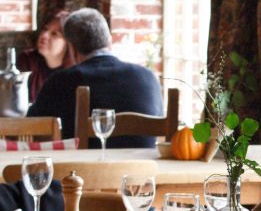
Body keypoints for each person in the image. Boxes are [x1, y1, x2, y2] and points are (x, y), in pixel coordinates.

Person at [26, 8, 163, 148]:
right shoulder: (148, 77)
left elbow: (30, 127)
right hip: (145, 168)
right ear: (109, 41)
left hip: (84, 169)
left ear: (72, 48)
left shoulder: (60, 81)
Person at [17, 9, 76, 102]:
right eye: (45, 29)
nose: (44, 35)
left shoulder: (76, 71)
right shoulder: (27, 60)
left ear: (68, 43)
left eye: (54, 34)